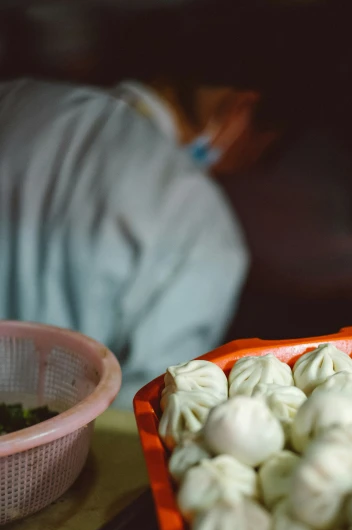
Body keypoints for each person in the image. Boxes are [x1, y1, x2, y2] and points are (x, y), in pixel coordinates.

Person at [0, 3, 299, 408]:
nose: (233, 170)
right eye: (253, 153)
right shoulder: (199, 220)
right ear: (239, 111)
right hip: (58, 458)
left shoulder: (16, 99)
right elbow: (156, 399)